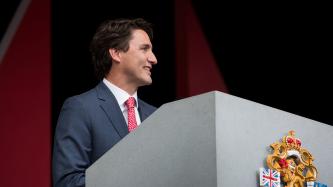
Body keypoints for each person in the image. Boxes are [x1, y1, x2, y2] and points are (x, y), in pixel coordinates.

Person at [52, 18, 158, 187]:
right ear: (116, 53)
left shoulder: (157, 115)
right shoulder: (80, 108)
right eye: (144, 49)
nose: (153, 59)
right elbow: (68, 181)